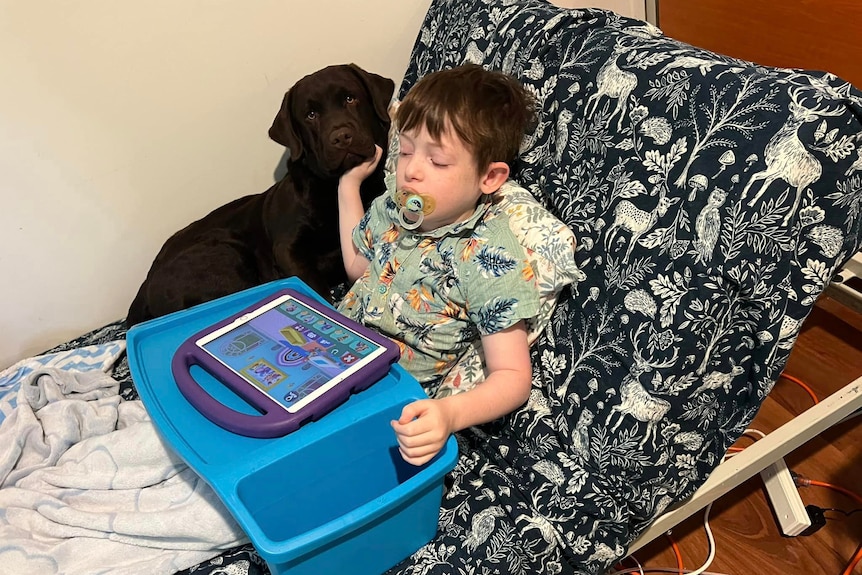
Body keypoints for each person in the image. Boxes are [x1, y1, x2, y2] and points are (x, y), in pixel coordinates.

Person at [337, 64, 541, 466]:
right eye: (407, 150)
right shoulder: (393, 208)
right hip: (332, 354)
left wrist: (448, 415)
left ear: (489, 177)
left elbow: (513, 378)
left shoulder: (487, 257)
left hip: (380, 398)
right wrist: (349, 186)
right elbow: (358, 268)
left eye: (438, 162)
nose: (411, 170)